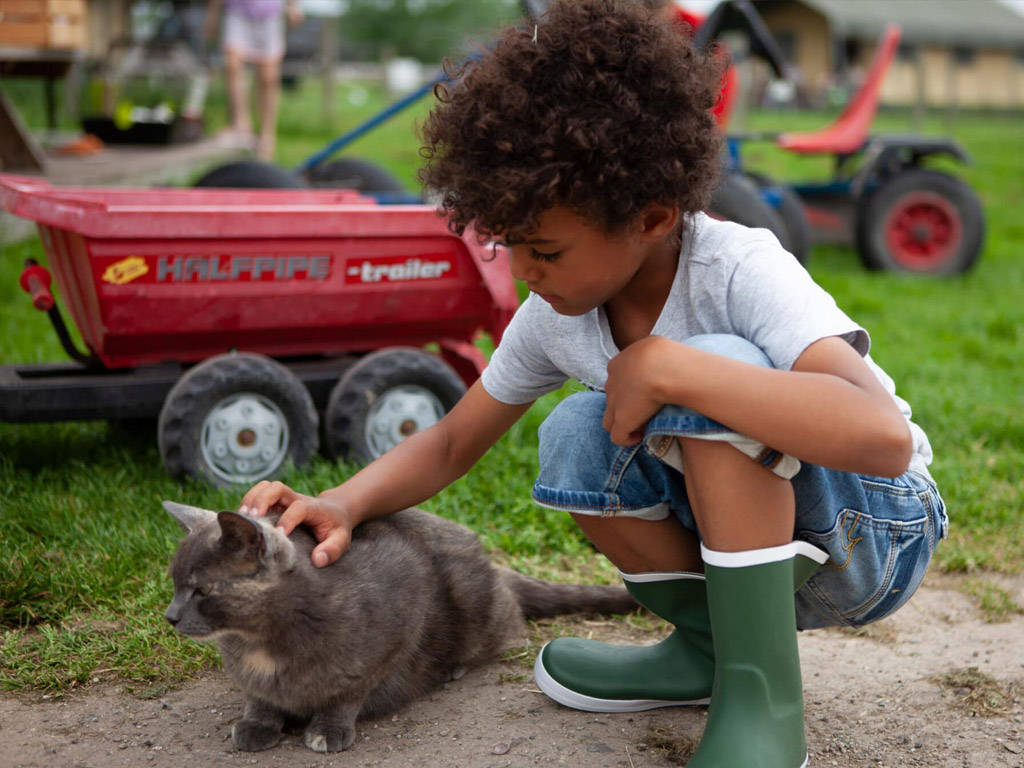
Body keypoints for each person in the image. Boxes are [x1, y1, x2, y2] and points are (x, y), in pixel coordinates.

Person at [238, 2, 946, 765]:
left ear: (650, 215)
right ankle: (709, 651)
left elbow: (882, 439)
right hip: (753, 560)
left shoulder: (740, 267)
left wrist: (675, 366)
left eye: (545, 250)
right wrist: (341, 503)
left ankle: (761, 698)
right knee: (573, 435)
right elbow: (449, 441)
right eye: (510, 248)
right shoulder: (557, 312)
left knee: (716, 366)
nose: (526, 274)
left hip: (870, 535)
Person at [204, 0, 303, 160]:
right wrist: (212, 14)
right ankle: (241, 124)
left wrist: (293, 5)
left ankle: (267, 136)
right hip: (236, 9)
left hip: (269, 11)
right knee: (232, 65)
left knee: (268, 77)